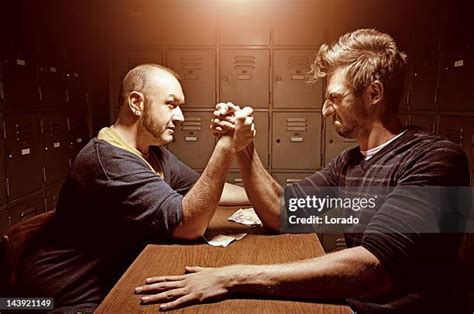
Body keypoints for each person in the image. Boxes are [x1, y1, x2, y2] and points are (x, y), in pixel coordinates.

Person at [135, 29, 471, 313]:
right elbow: (283, 212)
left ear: (374, 94)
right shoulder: (350, 163)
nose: (325, 110)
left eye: (334, 97)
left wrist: (231, 277)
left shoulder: (437, 159)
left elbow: (374, 268)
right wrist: (243, 146)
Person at [16, 64, 254, 311]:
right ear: (136, 103)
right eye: (171, 104)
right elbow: (188, 226)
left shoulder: (154, 155)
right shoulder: (107, 161)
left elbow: (205, 190)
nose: (180, 117)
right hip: (64, 297)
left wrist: (263, 199)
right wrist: (227, 143)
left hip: (112, 280)